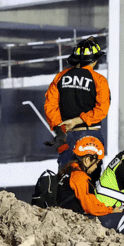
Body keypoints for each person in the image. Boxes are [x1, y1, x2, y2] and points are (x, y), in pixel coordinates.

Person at [55, 136, 124, 235]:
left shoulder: (71, 171)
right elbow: (91, 207)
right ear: (87, 160)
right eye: (97, 163)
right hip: (95, 216)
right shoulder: (79, 177)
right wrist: (111, 211)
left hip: (93, 210)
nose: (96, 167)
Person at [44, 36, 110, 169]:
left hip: (66, 137)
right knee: (91, 181)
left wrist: (61, 127)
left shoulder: (60, 77)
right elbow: (102, 109)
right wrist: (77, 120)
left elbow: (50, 106)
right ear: (95, 60)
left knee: (66, 179)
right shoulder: (99, 80)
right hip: (91, 134)